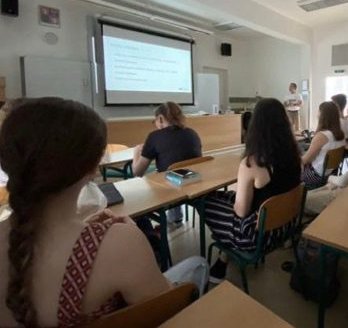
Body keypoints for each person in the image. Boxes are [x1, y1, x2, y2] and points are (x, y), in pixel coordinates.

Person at [0, 98, 207, 328]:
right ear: (92, 167)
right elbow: (169, 309)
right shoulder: (120, 243)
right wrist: (129, 237)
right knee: (198, 264)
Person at [203, 98, 301, 283]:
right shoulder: (294, 155)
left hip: (257, 237)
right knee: (226, 197)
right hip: (285, 227)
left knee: (206, 202)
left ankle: (224, 255)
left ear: (255, 126)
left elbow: (241, 212)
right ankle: (224, 257)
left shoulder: (253, 163)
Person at [132, 102, 202, 224]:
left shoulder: (154, 136)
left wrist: (136, 152)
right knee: (172, 170)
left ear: (160, 118)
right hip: (196, 183)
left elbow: (138, 172)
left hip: (172, 188)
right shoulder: (192, 133)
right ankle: (175, 217)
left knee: (162, 175)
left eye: (154, 121)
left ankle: (167, 219)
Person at [301, 102, 345, 189]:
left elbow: (306, 160)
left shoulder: (321, 136)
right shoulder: (340, 135)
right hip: (329, 173)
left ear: (322, 115)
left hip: (315, 175)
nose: (317, 114)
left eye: (319, 111)